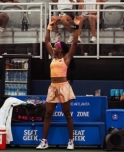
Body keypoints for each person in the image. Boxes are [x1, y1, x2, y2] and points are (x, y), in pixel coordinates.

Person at [36, 15, 80, 150]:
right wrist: (49, 27)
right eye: (54, 46)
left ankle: (71, 141)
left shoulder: (66, 58)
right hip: (53, 87)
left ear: (60, 49)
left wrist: (77, 26)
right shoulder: (53, 57)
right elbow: (46, 41)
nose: (53, 47)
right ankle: (44, 141)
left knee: (67, 114)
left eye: (56, 46)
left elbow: (74, 43)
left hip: (63, 87)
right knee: (48, 114)